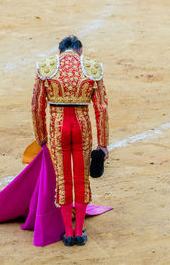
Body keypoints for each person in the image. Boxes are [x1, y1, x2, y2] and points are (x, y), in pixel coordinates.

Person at [31, 35, 109, 246]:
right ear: (80, 51)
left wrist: (42, 138)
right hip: (81, 127)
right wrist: (102, 144)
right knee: (81, 179)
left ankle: (68, 234)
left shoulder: (46, 67)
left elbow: (37, 108)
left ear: (59, 52)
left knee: (64, 180)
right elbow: (101, 109)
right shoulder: (92, 67)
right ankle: (79, 233)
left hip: (58, 129)